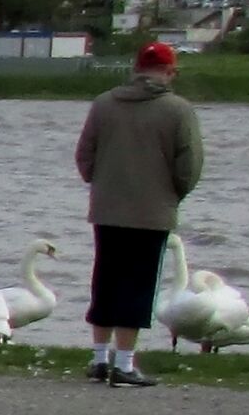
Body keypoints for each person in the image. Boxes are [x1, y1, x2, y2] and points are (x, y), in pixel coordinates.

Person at [76, 37, 202, 387]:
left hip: (107, 208)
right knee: (138, 286)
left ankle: (99, 358)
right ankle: (125, 363)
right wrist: (173, 193)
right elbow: (189, 164)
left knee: (105, 280)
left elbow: (84, 154)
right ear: (168, 71)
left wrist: (100, 183)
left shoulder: (103, 105)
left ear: (135, 70)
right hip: (151, 211)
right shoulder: (178, 110)